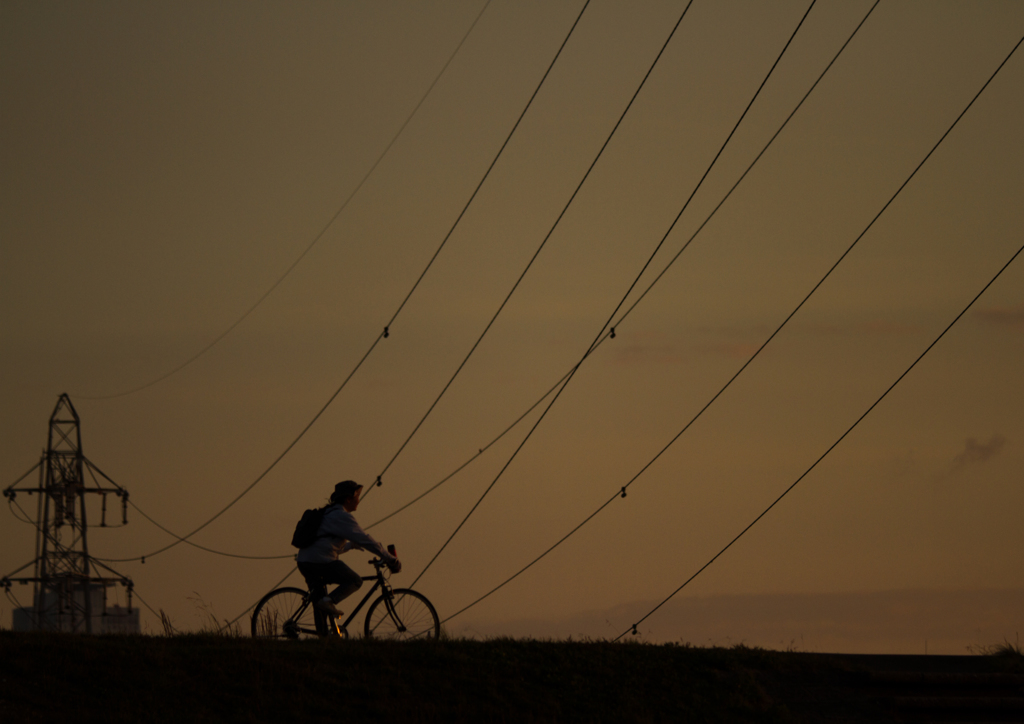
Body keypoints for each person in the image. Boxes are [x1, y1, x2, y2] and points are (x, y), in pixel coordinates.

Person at [296, 480, 401, 618]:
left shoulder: (328, 513)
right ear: (348, 499)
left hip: (305, 561)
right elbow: (365, 539)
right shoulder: (341, 516)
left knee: (320, 602)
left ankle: (324, 637)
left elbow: (326, 545)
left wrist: (350, 545)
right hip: (319, 562)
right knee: (354, 581)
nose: (359, 500)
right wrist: (390, 558)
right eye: (357, 496)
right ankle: (330, 601)